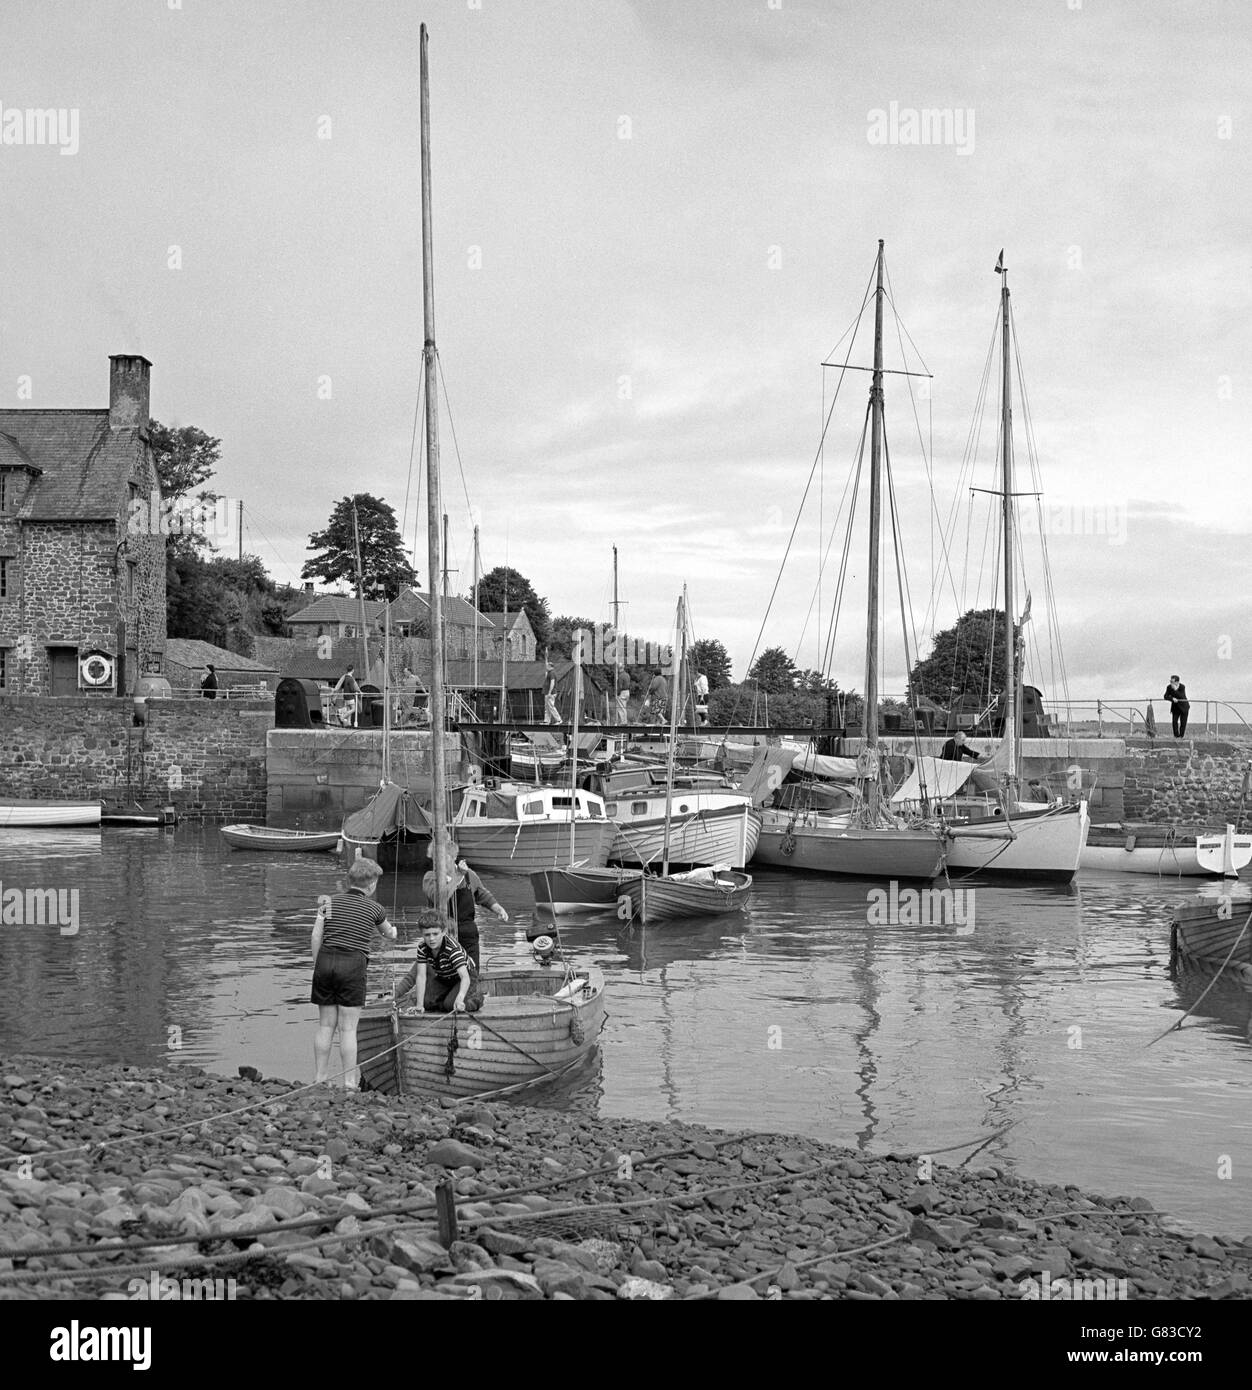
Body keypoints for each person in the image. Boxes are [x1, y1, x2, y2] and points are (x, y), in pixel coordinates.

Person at [310, 857, 396, 1090]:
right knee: (348, 1028)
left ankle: (320, 1078)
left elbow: (316, 936)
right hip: (352, 965)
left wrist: (318, 965)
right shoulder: (375, 908)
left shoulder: (327, 902)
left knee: (326, 1025)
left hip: (326, 961)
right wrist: (394, 932)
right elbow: (388, 933)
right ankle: (349, 1083)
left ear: (349, 880)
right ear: (371, 885)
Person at [421, 838, 508, 973]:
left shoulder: (469, 875)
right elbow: (439, 898)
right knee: (445, 975)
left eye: (443, 858)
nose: (438, 862)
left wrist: (498, 909)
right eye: (435, 859)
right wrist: (458, 876)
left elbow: (482, 895)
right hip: (442, 935)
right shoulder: (430, 877)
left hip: (467, 934)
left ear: (454, 857)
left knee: (472, 972)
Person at [392, 909, 481, 1014]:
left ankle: (475, 1000)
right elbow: (421, 976)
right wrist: (419, 1005)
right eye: (427, 935)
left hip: (465, 977)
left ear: (443, 931)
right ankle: (448, 998)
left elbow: (465, 977)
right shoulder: (422, 948)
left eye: (435, 934)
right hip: (445, 977)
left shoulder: (452, 949)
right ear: (422, 934)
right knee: (426, 1002)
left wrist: (460, 998)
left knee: (451, 1005)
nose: (431, 939)